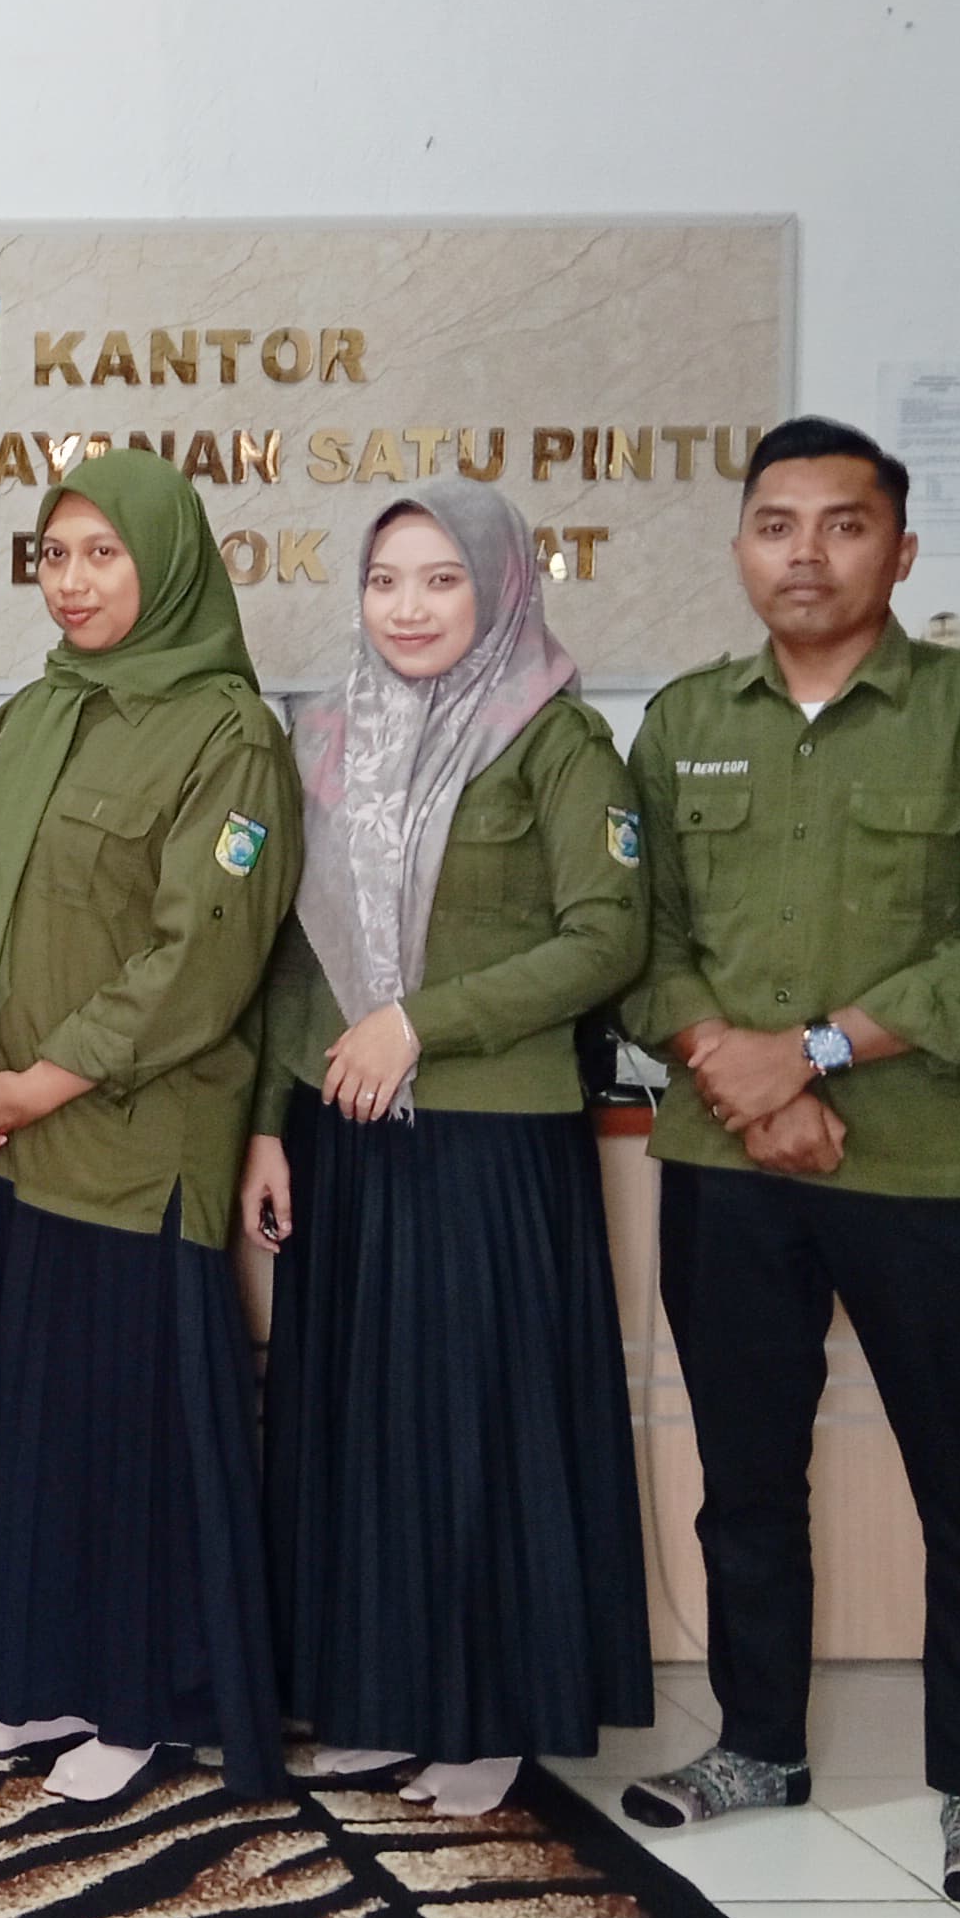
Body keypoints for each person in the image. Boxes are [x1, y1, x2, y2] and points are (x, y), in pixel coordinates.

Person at [612, 420, 960, 1905]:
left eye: (843, 524)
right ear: (742, 545)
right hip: (729, 1166)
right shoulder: (683, 718)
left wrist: (806, 1056)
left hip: (924, 1172)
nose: (805, 553)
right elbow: (643, 941)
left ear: (902, 548)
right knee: (748, 1476)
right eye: (776, 525)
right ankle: (758, 1746)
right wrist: (744, 1081)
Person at [237, 482, 651, 1818]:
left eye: (439, 581)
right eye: (385, 582)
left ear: (500, 588)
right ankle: (378, 1698)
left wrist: (420, 1021)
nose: (408, 608)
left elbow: (606, 938)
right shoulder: (334, 742)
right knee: (361, 1432)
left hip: (491, 1141)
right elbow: (301, 959)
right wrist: (269, 1127)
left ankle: (487, 1717)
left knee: (480, 1432)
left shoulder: (557, 739)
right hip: (348, 1139)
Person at [0, 444, 300, 1803]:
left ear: (170, 562)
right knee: (22, 1426)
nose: (71, 583)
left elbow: (201, 957)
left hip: (129, 1143)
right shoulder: (27, 718)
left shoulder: (227, 733)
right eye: (53, 556)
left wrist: (42, 1082)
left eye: (101, 555)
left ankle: (135, 1703)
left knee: (128, 1435)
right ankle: (34, 1685)